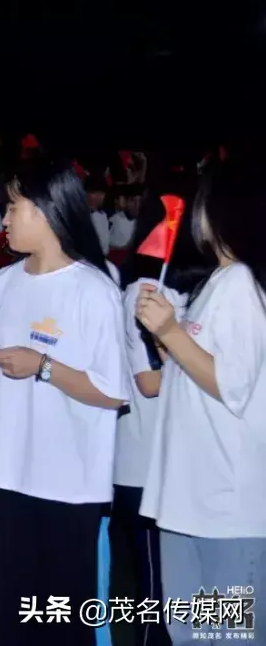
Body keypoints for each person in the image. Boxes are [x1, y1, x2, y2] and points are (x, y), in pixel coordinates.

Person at [0, 160, 128, 646]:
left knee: (61, 621)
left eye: (13, 208)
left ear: (48, 210)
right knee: (11, 615)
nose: (3, 219)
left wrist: (44, 366)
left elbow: (112, 390)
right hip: (5, 477)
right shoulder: (2, 285)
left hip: (69, 482)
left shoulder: (94, 289)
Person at [137, 159, 266, 646]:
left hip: (227, 508)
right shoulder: (217, 282)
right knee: (191, 632)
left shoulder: (242, 285)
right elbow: (199, 369)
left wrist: (171, 331)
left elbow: (232, 384)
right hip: (191, 502)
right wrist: (168, 339)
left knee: (229, 636)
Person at [112, 191, 210, 646]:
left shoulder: (188, 291)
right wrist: (210, 372)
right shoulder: (145, 293)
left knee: (182, 591)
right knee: (157, 591)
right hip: (145, 466)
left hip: (174, 463)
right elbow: (149, 382)